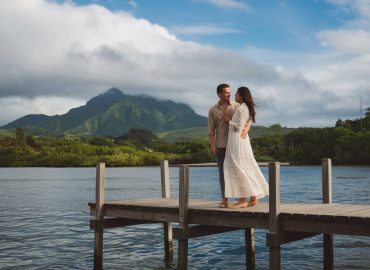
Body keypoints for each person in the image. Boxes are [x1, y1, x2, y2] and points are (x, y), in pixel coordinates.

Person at [223, 86, 269, 208]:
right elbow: (245, 124)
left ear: (242, 95)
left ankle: (243, 200)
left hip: (237, 140)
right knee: (244, 166)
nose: (235, 95)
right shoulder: (244, 107)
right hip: (239, 139)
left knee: (238, 167)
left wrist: (228, 121)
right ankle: (253, 197)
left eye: (237, 94)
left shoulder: (243, 108)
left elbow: (238, 126)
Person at [208, 83, 241, 208]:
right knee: (222, 173)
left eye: (230, 92)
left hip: (236, 145)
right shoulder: (212, 110)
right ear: (220, 94)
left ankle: (241, 199)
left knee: (238, 172)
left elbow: (246, 119)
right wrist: (212, 146)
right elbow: (211, 130)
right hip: (221, 146)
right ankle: (225, 200)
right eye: (227, 92)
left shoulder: (237, 106)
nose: (230, 94)